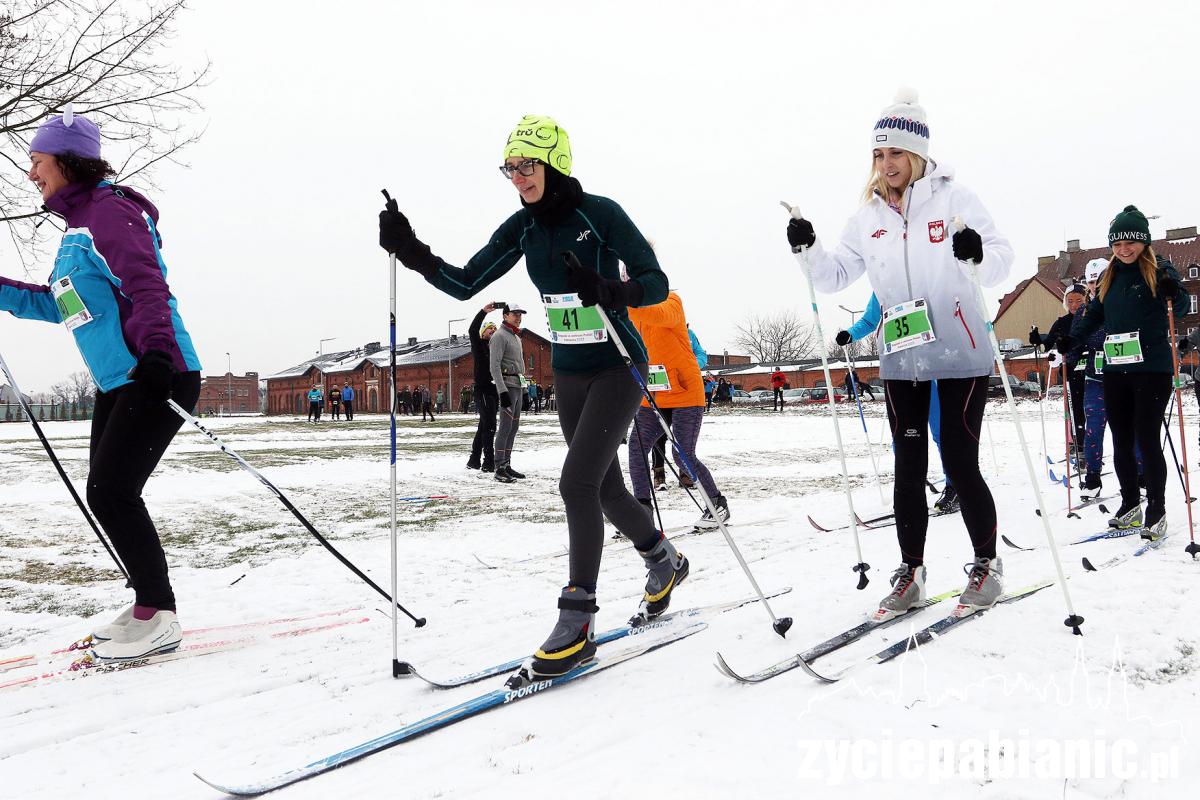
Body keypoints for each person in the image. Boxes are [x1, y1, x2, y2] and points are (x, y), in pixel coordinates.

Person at [378, 114, 683, 683]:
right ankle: (664, 560)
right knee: (607, 488)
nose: (518, 176)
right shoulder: (523, 227)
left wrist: (611, 289)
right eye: (510, 167)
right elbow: (467, 282)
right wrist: (411, 250)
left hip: (617, 362)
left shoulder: (602, 213)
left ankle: (578, 622)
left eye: (527, 165)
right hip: (569, 369)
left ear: (555, 163)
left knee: (576, 484)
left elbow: (655, 280)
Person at [793, 88, 1014, 616]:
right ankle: (910, 573)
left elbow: (1002, 260)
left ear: (916, 153)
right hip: (902, 358)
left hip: (960, 348)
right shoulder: (867, 216)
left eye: (894, 152)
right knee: (908, 467)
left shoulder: (955, 199)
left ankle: (987, 564)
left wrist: (977, 255)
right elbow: (835, 276)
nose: (886, 164)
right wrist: (809, 248)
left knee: (960, 462)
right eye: (878, 154)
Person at [1, 111, 202, 660]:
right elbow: (58, 303)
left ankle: (158, 615)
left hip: (157, 371)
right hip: (118, 380)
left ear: (66, 160)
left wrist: (159, 351)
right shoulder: (75, 229)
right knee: (106, 492)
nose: (30, 173)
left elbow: (146, 283)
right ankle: (149, 605)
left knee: (113, 491)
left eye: (37, 161)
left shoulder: (111, 213)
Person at [1068, 205, 1188, 539]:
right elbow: (1093, 316)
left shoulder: (1158, 269)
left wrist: (1171, 290)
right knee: (1120, 438)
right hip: (1116, 368)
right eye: (1117, 245)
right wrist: (1069, 339)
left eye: (1130, 244)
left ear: (1144, 242)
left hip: (1151, 368)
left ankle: (1157, 509)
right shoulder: (1110, 276)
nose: (1123, 250)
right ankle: (1129, 503)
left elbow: (1178, 307)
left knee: (1146, 437)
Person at [835, 292, 954, 510]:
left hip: (931, 369)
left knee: (941, 432)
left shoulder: (926, 276)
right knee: (903, 435)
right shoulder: (882, 283)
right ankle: (908, 489)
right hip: (900, 370)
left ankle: (954, 485)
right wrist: (850, 334)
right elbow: (871, 320)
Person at [627, 290, 730, 529]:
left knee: (682, 453)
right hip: (653, 394)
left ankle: (717, 504)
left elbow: (657, 315)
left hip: (685, 392)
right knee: (637, 447)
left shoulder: (671, 301)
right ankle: (641, 510)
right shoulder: (630, 315)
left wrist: (622, 301)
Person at [1030, 283, 1088, 460]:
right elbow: (1046, 345)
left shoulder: (1092, 317)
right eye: (1070, 301)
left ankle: (1090, 445)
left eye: (1079, 300)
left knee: (1093, 411)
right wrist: (1037, 340)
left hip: (1093, 371)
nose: (1074, 305)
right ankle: (1078, 445)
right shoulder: (1062, 322)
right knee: (1075, 410)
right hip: (1072, 373)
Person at [489, 302, 528, 482]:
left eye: (520, 315)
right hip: (507, 386)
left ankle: (507, 464)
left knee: (513, 427)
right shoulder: (499, 336)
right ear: (505, 316)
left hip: (518, 385)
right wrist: (502, 391)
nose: (518, 317)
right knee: (505, 427)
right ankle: (499, 467)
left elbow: (521, 365)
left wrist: (525, 390)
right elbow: (494, 366)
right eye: (514, 314)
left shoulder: (516, 337)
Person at [467, 306, 500, 472]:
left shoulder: (497, 348)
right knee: (490, 426)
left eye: (495, 329)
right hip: (483, 390)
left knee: (484, 426)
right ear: (483, 333)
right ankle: (488, 461)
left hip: (495, 390)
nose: (493, 331)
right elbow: (472, 329)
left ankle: (473, 460)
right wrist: (483, 312)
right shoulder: (479, 346)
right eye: (489, 329)